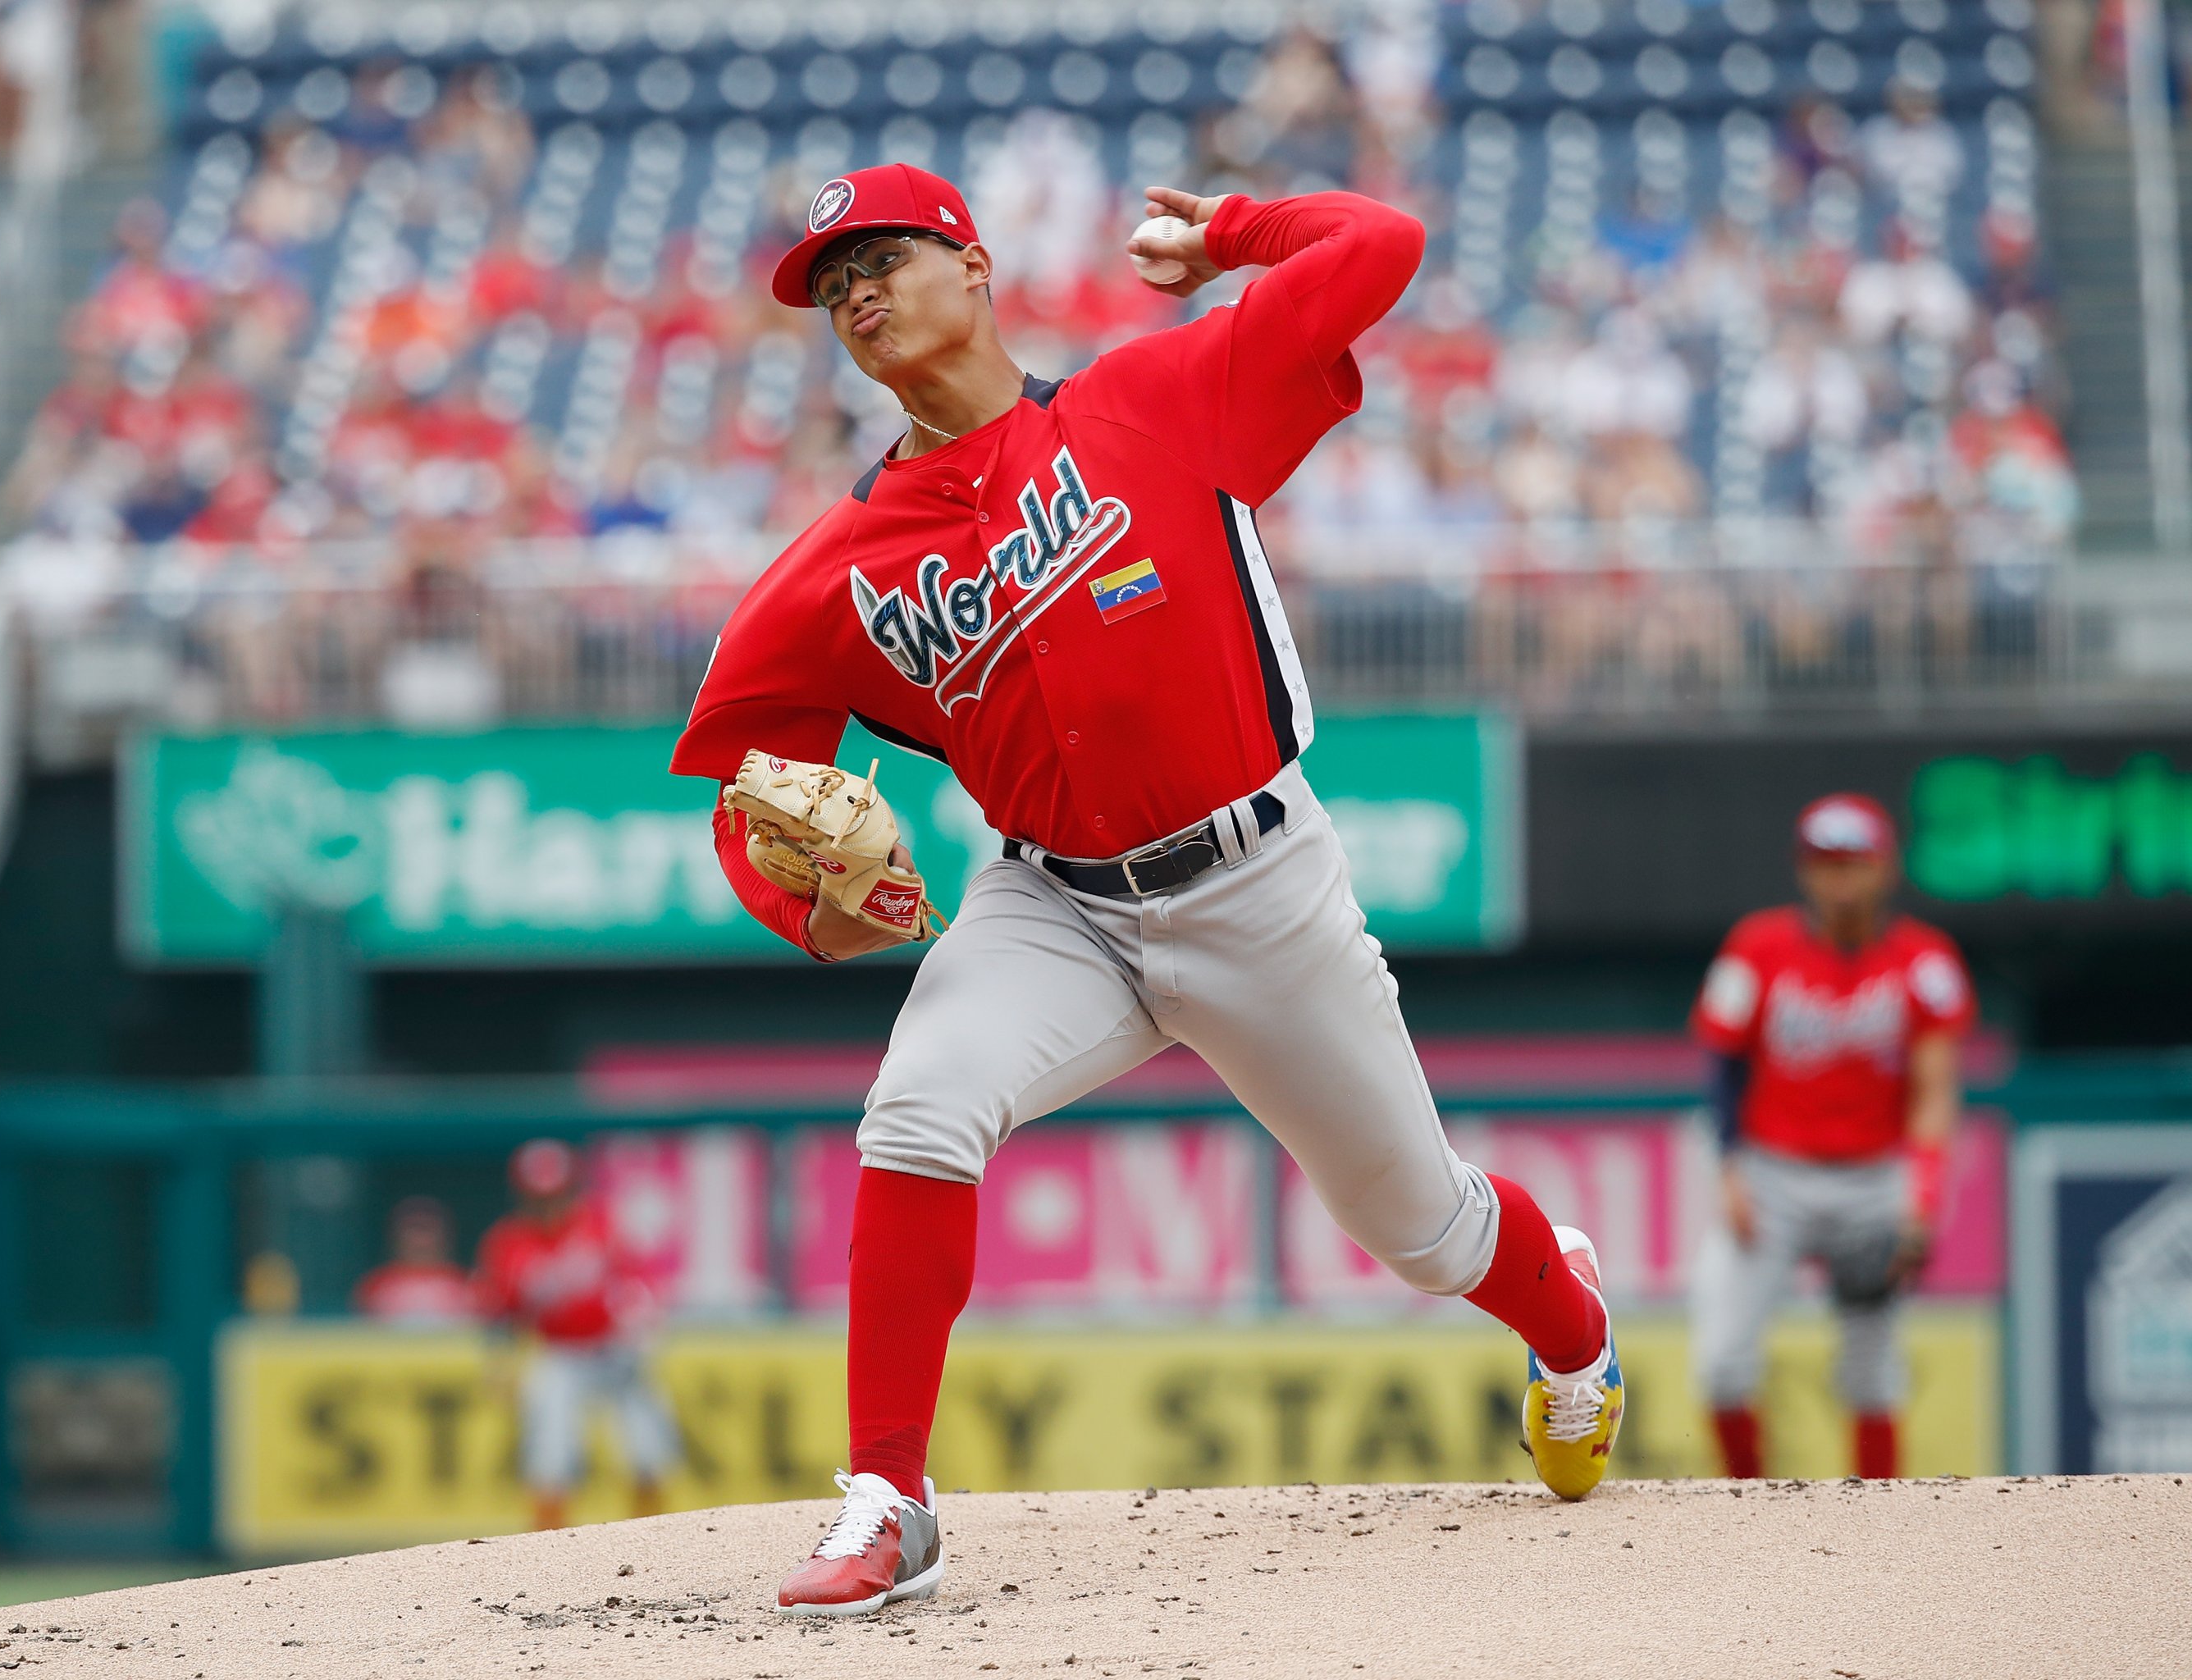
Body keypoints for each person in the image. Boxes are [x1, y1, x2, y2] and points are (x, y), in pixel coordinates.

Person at [669, 162, 1624, 1618]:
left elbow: (1386, 243)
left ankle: (1570, 1329)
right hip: (1054, 905)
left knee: (1423, 1230)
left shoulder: (1155, 398)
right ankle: (887, 1496)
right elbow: (745, 779)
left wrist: (1231, 235)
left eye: (884, 255)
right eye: (830, 283)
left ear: (975, 266)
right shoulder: (835, 569)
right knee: (918, 1106)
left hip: (1259, 883)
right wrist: (796, 897)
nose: (856, 291)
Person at [1687, 794, 1975, 1481]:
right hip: (1771, 1172)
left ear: (1883, 867)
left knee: (1872, 1372)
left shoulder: (1924, 962)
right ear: (1802, 870)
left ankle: (1874, 1527)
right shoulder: (1755, 947)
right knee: (1722, 1363)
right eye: (1824, 863)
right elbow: (1722, 1065)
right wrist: (1726, 1169)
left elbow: (1934, 1090)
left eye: (1852, 862)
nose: (1839, 879)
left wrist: (1921, 1197)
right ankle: (1744, 1511)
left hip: (1873, 1180)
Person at [472, 1139, 674, 1531]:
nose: (550, 1205)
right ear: (523, 1196)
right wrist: (499, 1363)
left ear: (573, 1189)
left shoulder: (601, 1224)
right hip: (559, 1353)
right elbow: (498, 1313)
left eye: (557, 1194)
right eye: (539, 1197)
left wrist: (642, 1324)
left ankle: (656, 1546)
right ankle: (549, 1559)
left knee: (647, 1453)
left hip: (615, 1350)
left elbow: (640, 1284)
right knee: (550, 1458)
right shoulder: (509, 1243)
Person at [351, 1196, 477, 1325]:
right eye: (412, 1229)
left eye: (426, 1229)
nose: (420, 1240)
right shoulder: (374, 1285)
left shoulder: (470, 1283)